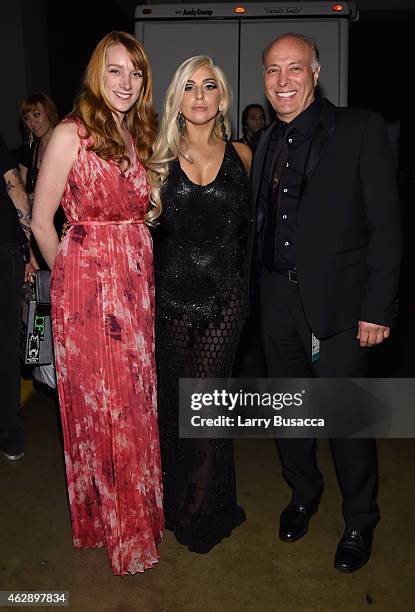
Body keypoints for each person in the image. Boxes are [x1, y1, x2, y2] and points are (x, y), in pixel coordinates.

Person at [251, 33, 401, 572]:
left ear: (315, 73)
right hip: (274, 299)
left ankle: (361, 518)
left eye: (294, 69)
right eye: (273, 70)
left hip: (341, 307)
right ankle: (303, 493)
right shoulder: (265, 141)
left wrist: (377, 308)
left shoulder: (360, 128)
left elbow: (385, 224)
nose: (283, 81)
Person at [31, 31, 164, 575]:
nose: (126, 83)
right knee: (105, 406)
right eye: (115, 71)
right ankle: (117, 529)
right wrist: (72, 279)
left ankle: (132, 516)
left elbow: (142, 208)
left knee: (134, 401)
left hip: (136, 285)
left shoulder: (138, 133)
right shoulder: (70, 133)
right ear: (96, 74)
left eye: (134, 73)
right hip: (89, 289)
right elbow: (42, 221)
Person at [149, 55, 252, 553]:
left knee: (204, 406)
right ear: (177, 98)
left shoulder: (244, 155)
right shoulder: (156, 159)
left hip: (225, 300)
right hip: (168, 300)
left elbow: (260, 232)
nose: (199, 95)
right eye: (189, 86)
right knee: (178, 403)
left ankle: (200, 505)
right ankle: (183, 492)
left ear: (222, 98)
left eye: (209, 86)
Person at [0, 133, 36, 461]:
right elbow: (16, 192)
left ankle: (9, 429)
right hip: (6, 248)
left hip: (5, 248)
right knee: (7, 343)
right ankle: (9, 430)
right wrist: (30, 249)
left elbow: (16, 190)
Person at [19, 93, 59, 197]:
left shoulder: (65, 145)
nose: (32, 122)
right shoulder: (29, 149)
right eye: (27, 118)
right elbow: (20, 189)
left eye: (36, 115)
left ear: (49, 113)